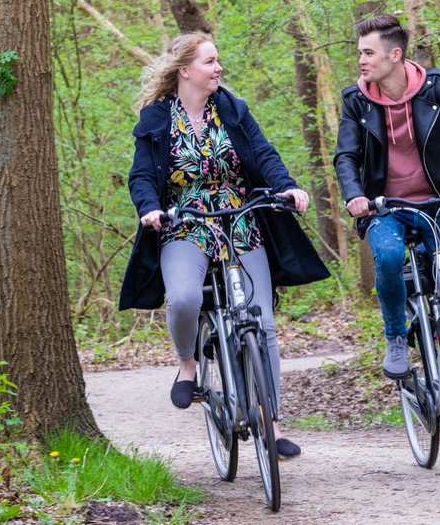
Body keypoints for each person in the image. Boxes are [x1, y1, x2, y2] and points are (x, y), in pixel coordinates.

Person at [119, 32, 329, 460]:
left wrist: (287, 188)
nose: (218, 68)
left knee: (263, 323)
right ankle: (188, 365)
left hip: (238, 219)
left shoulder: (233, 109)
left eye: (218, 60)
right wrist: (149, 207)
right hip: (185, 222)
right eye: (210, 62)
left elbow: (264, 154)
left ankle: (270, 426)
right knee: (183, 299)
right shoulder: (156, 119)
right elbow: (141, 175)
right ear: (185, 71)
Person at [333, 15, 440, 446]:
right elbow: (345, 157)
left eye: (368, 52)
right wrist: (355, 195)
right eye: (359, 52)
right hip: (385, 209)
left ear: (395, 55)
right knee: (390, 257)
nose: (360, 60)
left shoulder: (434, 87)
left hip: (436, 205)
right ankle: (396, 337)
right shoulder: (356, 100)